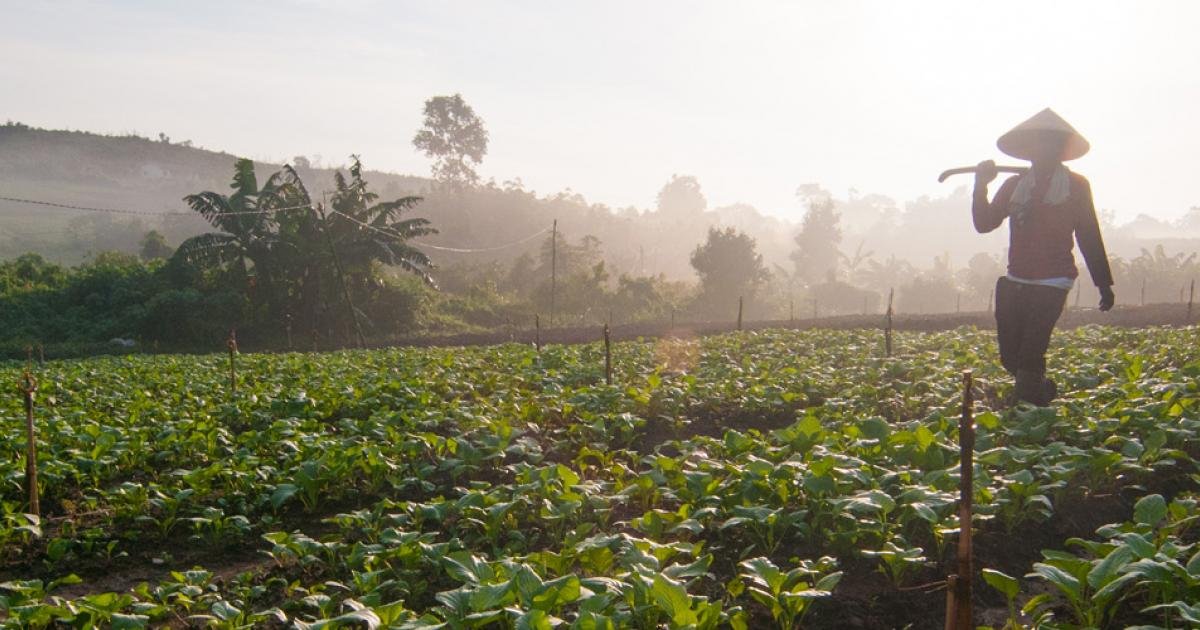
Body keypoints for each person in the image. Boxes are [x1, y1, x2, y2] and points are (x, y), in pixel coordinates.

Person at [972, 108, 1114, 406]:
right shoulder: (1013, 186)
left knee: (1031, 352)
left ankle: (1027, 412)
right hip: (1016, 278)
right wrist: (981, 185)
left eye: (1051, 145)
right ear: (1028, 151)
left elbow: (1088, 233)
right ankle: (1041, 390)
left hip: (1054, 280)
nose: (1044, 151)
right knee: (1011, 357)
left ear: (1061, 151)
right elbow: (984, 224)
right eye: (1038, 145)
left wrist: (1103, 283)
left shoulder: (1076, 186)